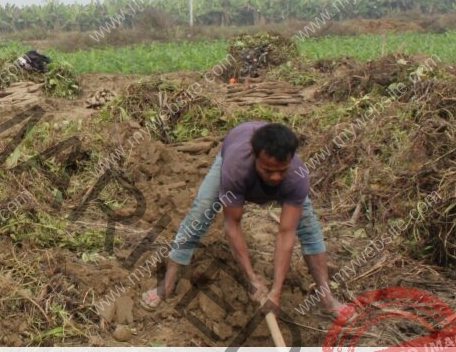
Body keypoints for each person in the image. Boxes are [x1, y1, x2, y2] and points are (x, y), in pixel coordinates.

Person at [142, 122, 346, 316]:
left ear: (291, 160)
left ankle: (327, 298)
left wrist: (275, 291)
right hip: (233, 156)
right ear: (255, 156)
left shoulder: (296, 176)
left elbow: (286, 234)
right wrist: (252, 278)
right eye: (268, 170)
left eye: (281, 171)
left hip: (283, 179)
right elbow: (232, 225)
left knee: (309, 228)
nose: (275, 177)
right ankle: (167, 285)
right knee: (201, 211)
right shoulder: (236, 167)